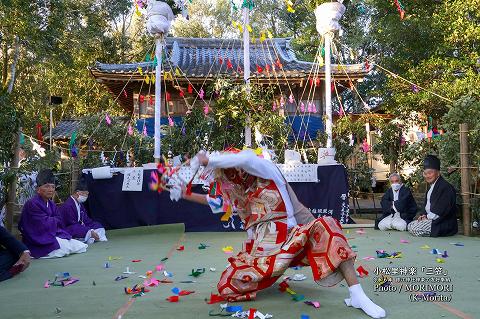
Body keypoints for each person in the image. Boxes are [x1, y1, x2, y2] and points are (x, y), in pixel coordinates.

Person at [174, 149, 386, 319]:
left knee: (327, 226)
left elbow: (247, 157)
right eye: (228, 175)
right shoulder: (236, 190)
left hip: (291, 239)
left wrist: (208, 159)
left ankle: (358, 295)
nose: (233, 178)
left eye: (233, 171)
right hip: (262, 254)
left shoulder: (266, 170)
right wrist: (186, 194)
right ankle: (266, 277)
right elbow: (218, 202)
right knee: (227, 286)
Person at [18, 169, 88, 258]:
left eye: (53, 187)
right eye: (47, 186)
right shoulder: (32, 203)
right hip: (37, 240)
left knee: (80, 246)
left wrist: (52, 220)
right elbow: (40, 224)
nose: (50, 190)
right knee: (64, 250)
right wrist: (53, 220)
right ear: (38, 189)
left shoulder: (51, 203)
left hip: (51, 235)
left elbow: (59, 219)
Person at [408, 155, 458, 237]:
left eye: (430, 173)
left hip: (443, 223)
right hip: (429, 219)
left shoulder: (445, 187)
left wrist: (426, 217)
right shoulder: (431, 188)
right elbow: (426, 207)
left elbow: (440, 212)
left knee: (414, 228)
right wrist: (423, 216)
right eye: (425, 173)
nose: (427, 176)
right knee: (410, 225)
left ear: (438, 173)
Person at [59, 176, 107, 244]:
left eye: (87, 194)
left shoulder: (80, 204)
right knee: (81, 230)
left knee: (98, 226)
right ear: (78, 192)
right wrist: (88, 230)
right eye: (85, 194)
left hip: (79, 226)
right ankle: (91, 237)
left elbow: (86, 220)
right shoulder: (68, 205)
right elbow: (71, 224)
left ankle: (91, 237)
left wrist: (91, 228)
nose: (86, 196)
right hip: (69, 229)